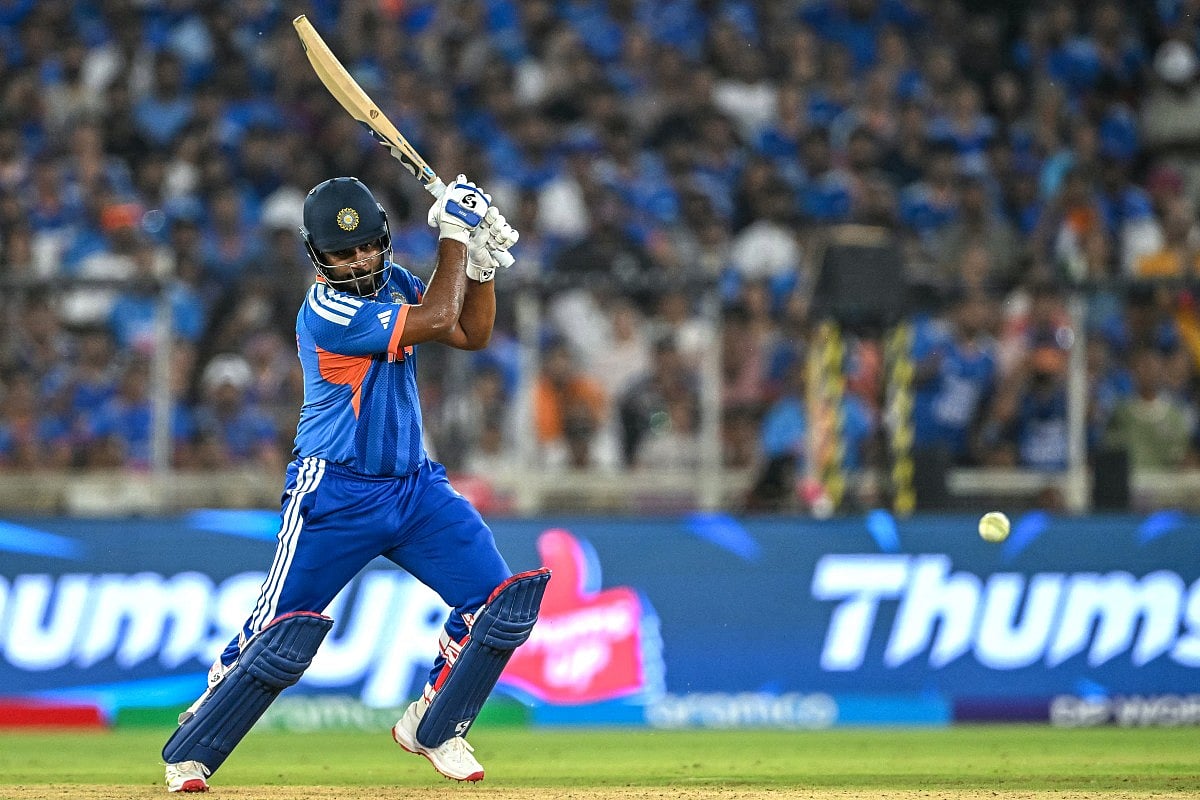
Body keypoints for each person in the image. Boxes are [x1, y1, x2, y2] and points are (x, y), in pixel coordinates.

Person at [162, 175, 550, 791]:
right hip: (334, 491)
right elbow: (437, 317)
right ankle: (197, 735)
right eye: (343, 253)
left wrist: (481, 266)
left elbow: (469, 332)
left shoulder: (394, 282)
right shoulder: (326, 310)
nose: (359, 260)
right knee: (279, 631)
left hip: (414, 487)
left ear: (384, 241)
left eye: (367, 246)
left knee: (497, 607)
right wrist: (456, 233)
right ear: (319, 257)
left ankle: (435, 723)